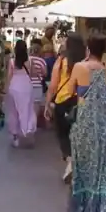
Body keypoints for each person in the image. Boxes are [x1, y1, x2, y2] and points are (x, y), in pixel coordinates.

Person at [68, 35, 106, 212]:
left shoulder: (79, 67)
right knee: (104, 169)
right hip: (105, 125)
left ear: (88, 49)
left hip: (85, 125)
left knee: (84, 166)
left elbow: (70, 90)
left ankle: (84, 209)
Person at [45, 32, 85, 182]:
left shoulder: (62, 61)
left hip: (63, 101)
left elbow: (53, 84)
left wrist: (47, 103)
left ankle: (70, 161)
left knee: (63, 133)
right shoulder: (85, 61)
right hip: (80, 101)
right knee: (79, 134)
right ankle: (77, 163)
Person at [5, 40, 38, 147]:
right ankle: (28, 130)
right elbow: (32, 74)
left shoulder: (12, 61)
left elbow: (9, 76)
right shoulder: (30, 61)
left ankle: (15, 136)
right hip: (27, 86)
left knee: (14, 111)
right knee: (28, 109)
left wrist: (6, 89)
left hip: (14, 86)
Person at [28, 39, 48, 117]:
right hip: (37, 86)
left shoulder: (26, 60)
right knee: (36, 106)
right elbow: (45, 73)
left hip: (26, 85)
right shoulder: (42, 61)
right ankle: (34, 121)